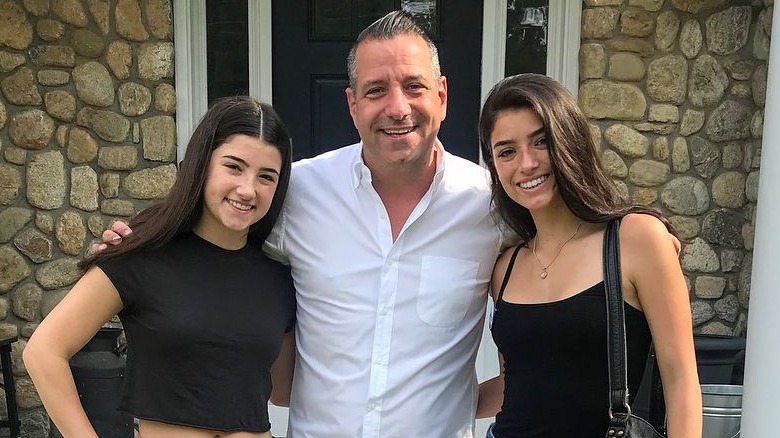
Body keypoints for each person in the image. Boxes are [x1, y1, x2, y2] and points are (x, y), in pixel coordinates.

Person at [97, 11, 512, 438]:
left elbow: (543, 319)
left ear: (441, 96)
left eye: (413, 87)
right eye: (376, 90)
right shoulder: (297, 193)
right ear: (353, 105)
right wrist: (145, 244)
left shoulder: (491, 206)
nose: (397, 107)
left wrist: (464, 400)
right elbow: (215, 246)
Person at [23, 96, 296, 438]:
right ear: (202, 165)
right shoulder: (140, 256)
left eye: (266, 177)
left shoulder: (279, 280)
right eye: (234, 167)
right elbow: (44, 352)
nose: (248, 189)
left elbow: (284, 391)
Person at [475, 74, 702, 437]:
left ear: (570, 142)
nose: (527, 163)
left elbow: (681, 382)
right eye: (507, 151)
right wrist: (430, 396)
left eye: (541, 142)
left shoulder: (635, 239)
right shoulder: (506, 267)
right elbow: (516, 385)